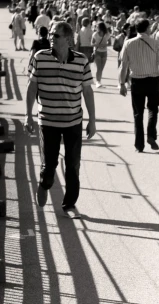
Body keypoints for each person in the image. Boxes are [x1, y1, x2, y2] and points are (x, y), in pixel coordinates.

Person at [25, 21, 96, 218]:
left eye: (55, 35)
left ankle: (69, 205)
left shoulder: (81, 61)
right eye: (50, 34)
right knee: (50, 165)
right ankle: (44, 183)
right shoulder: (40, 57)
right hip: (48, 121)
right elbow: (32, 88)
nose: (51, 38)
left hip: (73, 121)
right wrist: (28, 116)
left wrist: (92, 120)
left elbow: (88, 92)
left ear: (68, 39)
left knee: (73, 164)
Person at [118, 18, 159, 152]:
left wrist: (122, 84)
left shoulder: (128, 43)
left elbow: (123, 66)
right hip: (153, 80)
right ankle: (151, 135)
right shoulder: (155, 43)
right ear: (147, 28)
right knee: (153, 109)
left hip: (137, 81)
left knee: (138, 114)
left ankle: (139, 145)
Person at [90, 21, 109, 86]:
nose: (96, 28)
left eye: (97, 26)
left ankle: (99, 81)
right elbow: (92, 43)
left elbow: (110, 43)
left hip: (104, 52)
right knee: (99, 68)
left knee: (101, 68)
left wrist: (105, 45)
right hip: (97, 51)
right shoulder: (95, 34)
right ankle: (97, 82)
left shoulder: (107, 34)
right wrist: (97, 45)